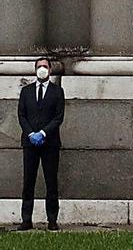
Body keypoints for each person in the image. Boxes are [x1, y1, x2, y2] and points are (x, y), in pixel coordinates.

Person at [18, 57, 65, 231]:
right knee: (28, 182)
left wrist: (43, 133)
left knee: (51, 182)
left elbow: (58, 117)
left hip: (50, 143)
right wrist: (31, 133)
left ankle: (52, 219)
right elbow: (22, 115)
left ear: (50, 70)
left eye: (45, 66)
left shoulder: (57, 92)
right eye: (40, 67)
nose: (42, 69)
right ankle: (26, 219)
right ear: (35, 70)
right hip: (30, 143)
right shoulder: (26, 92)